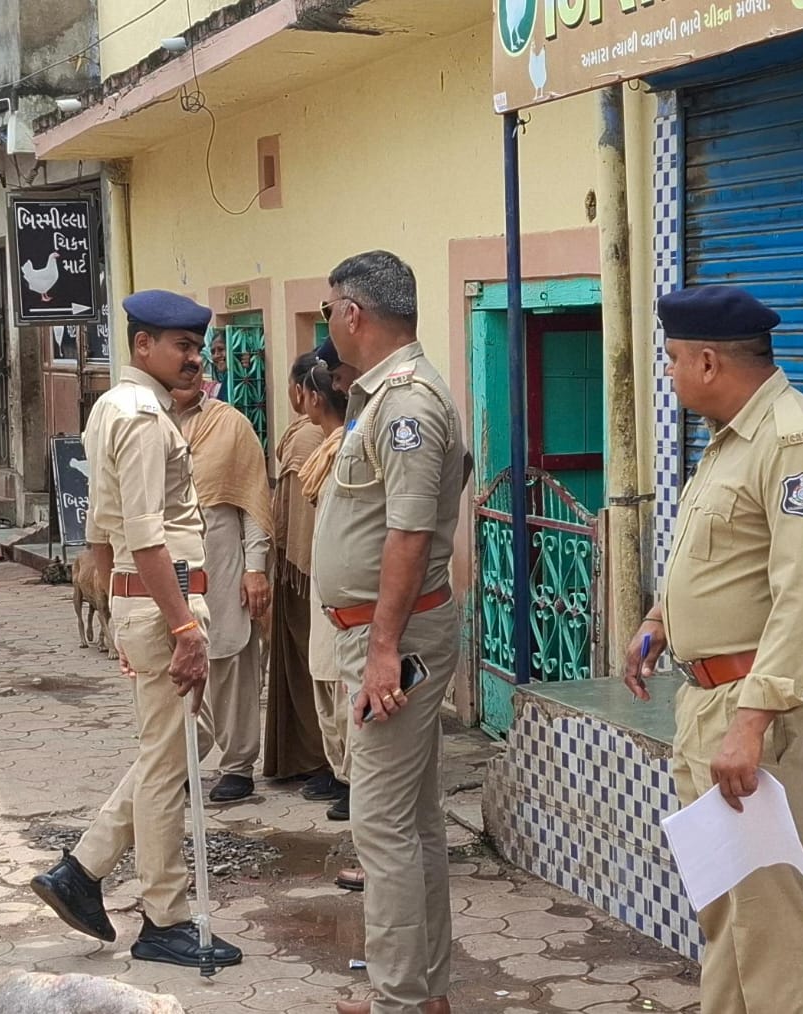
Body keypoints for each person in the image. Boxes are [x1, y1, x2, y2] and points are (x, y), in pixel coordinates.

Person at [624, 285, 803, 1014]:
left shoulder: (794, 443)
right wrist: (660, 621)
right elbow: (726, 561)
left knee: (770, 923)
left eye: (672, 360)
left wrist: (752, 721)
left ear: (707, 361)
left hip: (760, 708)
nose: (669, 374)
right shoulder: (732, 440)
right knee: (727, 912)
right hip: (713, 700)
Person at [30, 290, 243, 969]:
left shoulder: (111, 406)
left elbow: (98, 529)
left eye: (197, 347)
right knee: (167, 761)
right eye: (181, 346)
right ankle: (165, 917)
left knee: (180, 742)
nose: (193, 358)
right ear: (143, 345)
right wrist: (181, 627)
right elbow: (148, 538)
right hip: (165, 597)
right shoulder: (146, 417)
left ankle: (84, 867)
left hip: (140, 598)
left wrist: (121, 607)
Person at [313, 252, 464, 1014]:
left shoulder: (404, 404)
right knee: (413, 820)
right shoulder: (385, 397)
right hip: (388, 632)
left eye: (329, 308)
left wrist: (381, 652)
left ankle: (400, 1000)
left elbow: (408, 534)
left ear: (353, 314)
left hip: (395, 640)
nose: (328, 322)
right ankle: (421, 993)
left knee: (381, 826)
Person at [170, 382, 272, 803]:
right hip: (168, 562)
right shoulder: (148, 421)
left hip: (222, 559)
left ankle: (238, 765)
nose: (188, 365)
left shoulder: (230, 424)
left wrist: (256, 568)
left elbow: (252, 502)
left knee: (231, 659)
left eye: (194, 357)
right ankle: (179, 762)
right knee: (172, 667)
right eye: (181, 355)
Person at [266, 351, 335, 787]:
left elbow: (303, 515)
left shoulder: (312, 439)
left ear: (302, 392)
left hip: (307, 573)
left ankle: (320, 760)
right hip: (303, 567)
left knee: (316, 669)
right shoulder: (309, 434)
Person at [298, 362, 354, 825]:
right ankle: (340, 772)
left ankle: (355, 780)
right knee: (325, 677)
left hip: (345, 594)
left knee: (342, 686)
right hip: (324, 584)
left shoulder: (344, 451)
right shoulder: (326, 450)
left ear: (315, 398)